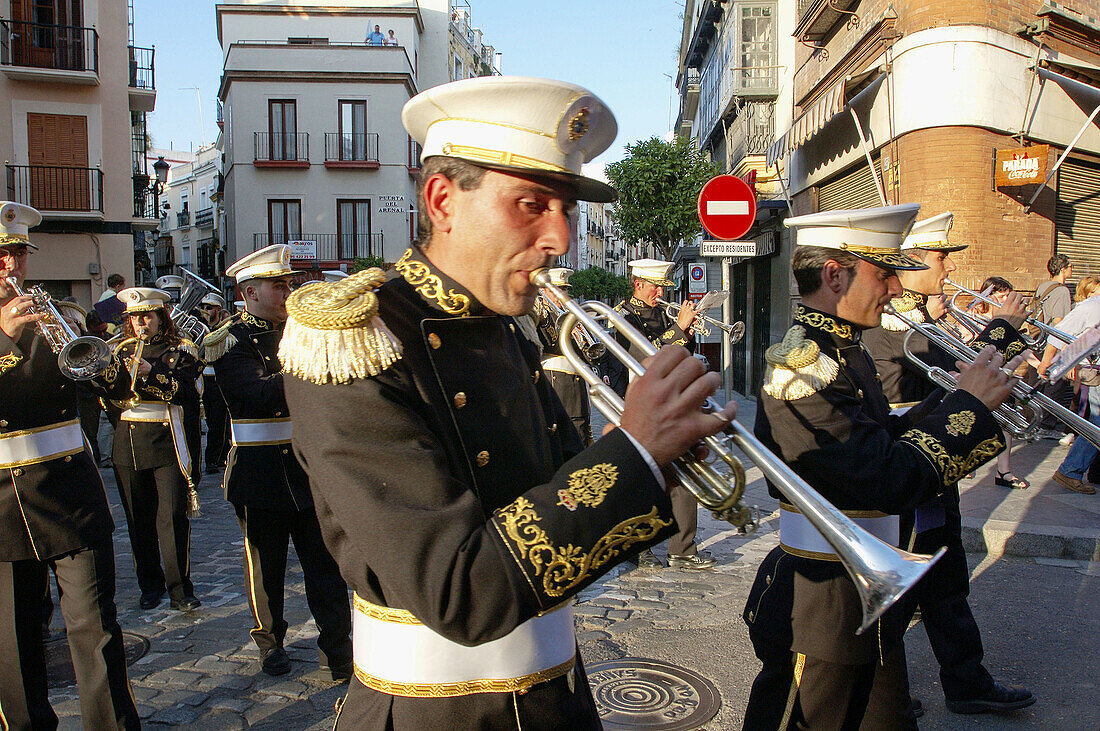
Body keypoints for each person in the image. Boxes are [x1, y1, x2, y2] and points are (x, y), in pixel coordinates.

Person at [279, 75, 736, 729]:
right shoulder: (355, 340)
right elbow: (461, 587)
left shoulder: (500, 318)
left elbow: (556, 489)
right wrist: (633, 450)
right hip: (433, 713)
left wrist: (662, 453)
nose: (560, 238)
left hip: (557, 693)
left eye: (568, 209)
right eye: (530, 204)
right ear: (443, 200)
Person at [741, 203, 1027, 730]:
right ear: (834, 275)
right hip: (824, 603)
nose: (897, 287)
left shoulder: (843, 350)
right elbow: (882, 478)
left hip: (866, 596)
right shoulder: (802, 366)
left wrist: (957, 400)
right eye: (884, 272)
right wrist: (969, 410)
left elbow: (881, 439)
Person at [860, 214, 1035, 726]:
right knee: (893, 598)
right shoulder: (890, 330)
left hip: (939, 471)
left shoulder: (926, 323)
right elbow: (926, 396)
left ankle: (967, 681)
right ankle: (887, 689)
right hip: (906, 474)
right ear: (912, 264)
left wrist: (1001, 351)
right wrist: (1000, 334)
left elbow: (967, 380)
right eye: (939, 257)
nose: (947, 267)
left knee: (947, 581)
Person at [0, 201, 140, 729]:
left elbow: (109, 389)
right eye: (1, 255)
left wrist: (117, 371)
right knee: (13, 643)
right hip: (3, 507)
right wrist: (4, 339)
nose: (11, 266)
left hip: (72, 495)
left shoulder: (64, 315)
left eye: (17, 253)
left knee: (96, 629)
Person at [211, 244, 353, 679]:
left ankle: (339, 651)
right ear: (250, 292)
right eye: (278, 286)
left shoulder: (303, 331)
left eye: (289, 283)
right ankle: (271, 642)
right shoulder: (229, 342)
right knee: (265, 569)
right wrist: (313, 364)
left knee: (326, 567)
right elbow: (255, 393)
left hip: (309, 469)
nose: (288, 292)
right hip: (259, 473)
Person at [609, 259, 712, 571]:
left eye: (662, 287)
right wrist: (679, 329)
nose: (659, 292)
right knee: (641, 477)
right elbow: (644, 357)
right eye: (655, 286)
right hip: (639, 406)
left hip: (672, 401)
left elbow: (676, 355)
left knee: (685, 473)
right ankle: (637, 548)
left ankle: (682, 548)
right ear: (638, 283)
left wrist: (688, 333)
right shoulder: (621, 316)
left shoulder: (661, 313)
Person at [108, 287, 202, 612]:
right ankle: (149, 586)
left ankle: (180, 589)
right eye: (134, 318)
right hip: (128, 440)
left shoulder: (182, 350)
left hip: (166, 439)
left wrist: (152, 373)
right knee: (138, 519)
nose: (140, 323)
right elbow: (109, 401)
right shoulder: (120, 350)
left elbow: (186, 394)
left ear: (162, 317)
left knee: (172, 517)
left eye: (146, 316)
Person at [1045, 278, 1100, 494]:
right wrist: (1046, 363)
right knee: (1096, 425)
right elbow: (1059, 333)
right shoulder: (1091, 306)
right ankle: (1070, 470)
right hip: (1094, 371)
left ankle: (1081, 471)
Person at [534, 267, 593, 445]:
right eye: (556, 290)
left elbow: (590, 354)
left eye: (564, 289)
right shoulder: (539, 310)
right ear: (543, 290)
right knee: (564, 437)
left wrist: (581, 332)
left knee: (580, 434)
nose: (562, 294)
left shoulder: (571, 313)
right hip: (555, 381)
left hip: (577, 384)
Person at [1033, 254, 1074, 437]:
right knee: (1055, 384)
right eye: (1071, 266)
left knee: (1043, 382)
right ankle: (1047, 426)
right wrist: (1064, 347)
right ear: (1063, 269)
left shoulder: (1043, 286)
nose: (1073, 269)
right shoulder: (1063, 291)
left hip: (1040, 340)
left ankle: (1037, 420)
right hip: (1053, 342)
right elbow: (1060, 322)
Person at [199, 292, 232, 474]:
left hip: (217, 378)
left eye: (209, 308)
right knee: (211, 421)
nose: (205, 310)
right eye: (204, 307)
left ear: (218, 309)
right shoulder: (201, 327)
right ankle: (217, 455)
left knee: (219, 421)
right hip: (202, 379)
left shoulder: (224, 329)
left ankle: (214, 458)